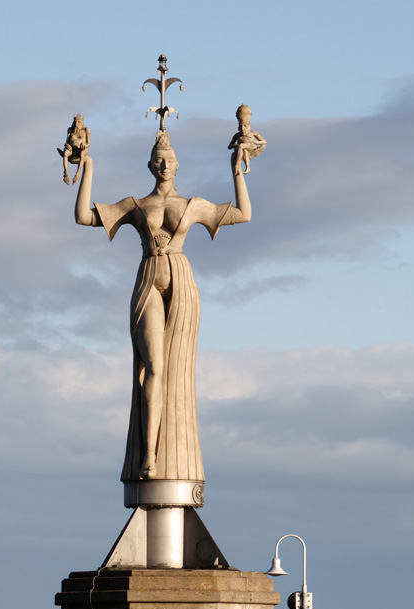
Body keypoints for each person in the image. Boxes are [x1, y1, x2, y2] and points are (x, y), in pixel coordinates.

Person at [75, 129, 252, 483]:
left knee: (176, 368)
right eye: (158, 160)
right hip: (148, 280)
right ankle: (150, 455)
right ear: (150, 166)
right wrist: (87, 166)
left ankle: (171, 450)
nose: (164, 165)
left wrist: (237, 170)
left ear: (177, 164)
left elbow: (244, 214)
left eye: (169, 160)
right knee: (154, 366)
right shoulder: (136, 205)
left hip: (181, 282)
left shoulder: (192, 205)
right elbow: (84, 216)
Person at [227, 103, 267, 175]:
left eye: (245, 126)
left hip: (251, 146)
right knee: (244, 150)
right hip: (242, 149)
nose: (243, 129)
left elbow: (264, 142)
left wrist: (257, 142)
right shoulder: (237, 135)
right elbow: (229, 146)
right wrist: (233, 145)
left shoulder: (253, 133)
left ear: (249, 126)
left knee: (241, 146)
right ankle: (247, 167)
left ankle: (237, 165)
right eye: (241, 127)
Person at [58, 113, 90, 186]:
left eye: (79, 122)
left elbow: (88, 143)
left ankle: (77, 174)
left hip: (80, 148)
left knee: (82, 154)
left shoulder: (86, 130)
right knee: (65, 154)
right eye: (75, 122)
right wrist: (67, 146)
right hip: (71, 148)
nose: (76, 124)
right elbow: (67, 141)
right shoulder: (70, 130)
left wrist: (84, 145)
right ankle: (65, 173)